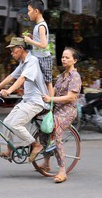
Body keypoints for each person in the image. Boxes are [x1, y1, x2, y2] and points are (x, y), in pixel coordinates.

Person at [0, 37, 50, 161]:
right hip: (26, 101)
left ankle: (35, 145)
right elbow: (11, 77)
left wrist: (9, 91)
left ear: (21, 49)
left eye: (13, 50)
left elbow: (22, 78)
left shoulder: (32, 61)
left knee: (15, 124)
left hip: (36, 101)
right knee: (6, 123)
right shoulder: (23, 63)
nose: (11, 53)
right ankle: (10, 149)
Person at [41, 47, 82, 183]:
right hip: (57, 108)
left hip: (68, 111)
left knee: (55, 133)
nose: (64, 59)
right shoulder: (61, 75)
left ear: (74, 60)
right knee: (43, 128)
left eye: (67, 57)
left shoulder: (75, 77)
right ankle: (46, 162)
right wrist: (46, 96)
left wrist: (51, 99)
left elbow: (70, 97)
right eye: (63, 57)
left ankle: (62, 170)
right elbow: (53, 91)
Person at [23, 0, 54, 96]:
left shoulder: (41, 26)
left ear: (36, 11)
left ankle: (51, 105)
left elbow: (44, 45)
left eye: (29, 10)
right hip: (39, 58)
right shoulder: (39, 25)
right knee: (40, 82)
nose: (28, 13)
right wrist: (32, 38)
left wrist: (30, 41)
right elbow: (40, 41)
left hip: (44, 59)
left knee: (47, 83)